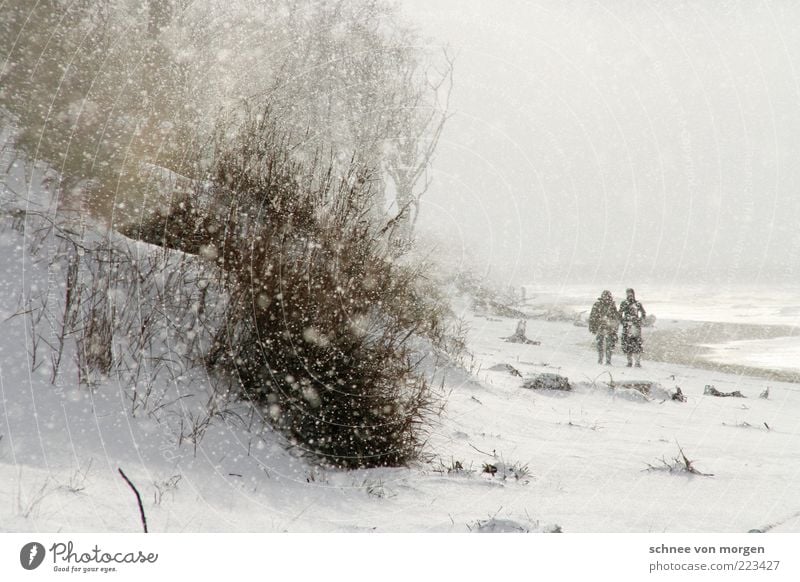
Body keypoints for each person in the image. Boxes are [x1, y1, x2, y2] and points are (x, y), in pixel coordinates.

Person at [589, 290, 620, 365]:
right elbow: (592, 316)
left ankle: (608, 361)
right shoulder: (597, 305)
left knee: (609, 345)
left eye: (607, 296)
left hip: (609, 328)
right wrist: (592, 327)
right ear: (602, 296)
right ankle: (600, 359)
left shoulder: (612, 305)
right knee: (600, 344)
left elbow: (615, 317)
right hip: (601, 327)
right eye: (605, 295)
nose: (606, 297)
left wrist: (615, 328)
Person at [619, 288, 647, 367]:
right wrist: (623, 322)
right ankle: (629, 362)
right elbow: (619, 314)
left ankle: (637, 362)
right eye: (628, 293)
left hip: (635, 326)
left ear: (633, 294)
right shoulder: (624, 303)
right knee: (627, 345)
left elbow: (643, 313)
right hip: (627, 326)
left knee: (637, 345)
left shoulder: (637, 303)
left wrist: (640, 320)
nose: (629, 294)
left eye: (631, 293)